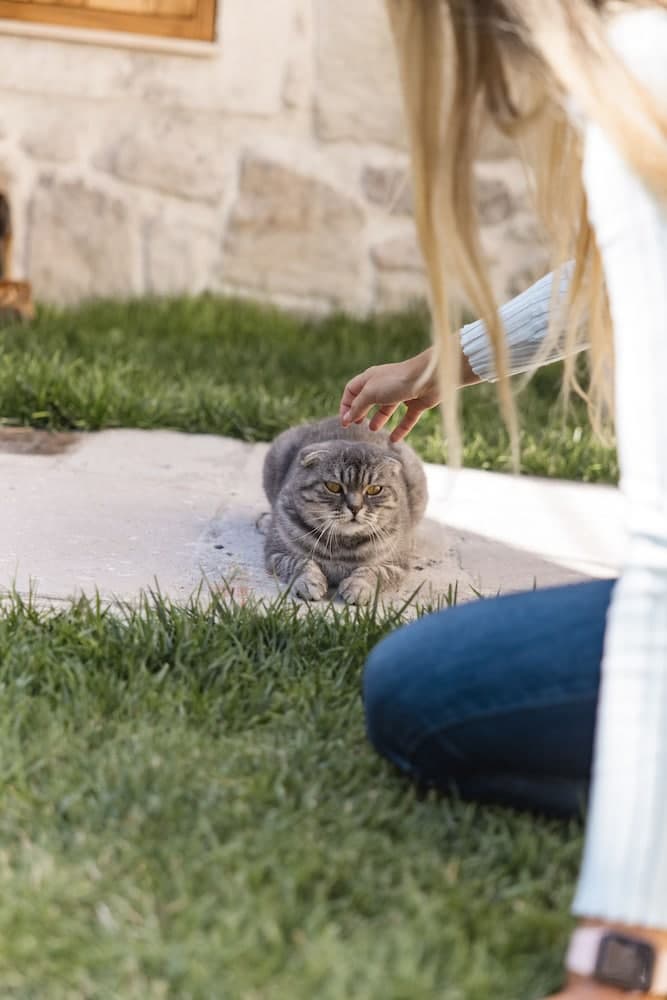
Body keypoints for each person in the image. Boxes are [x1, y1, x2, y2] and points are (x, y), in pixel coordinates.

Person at [338, 2, 667, 997]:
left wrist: (620, 956)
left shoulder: (642, 74)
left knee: (423, 693)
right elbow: (612, 264)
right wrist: (457, 356)